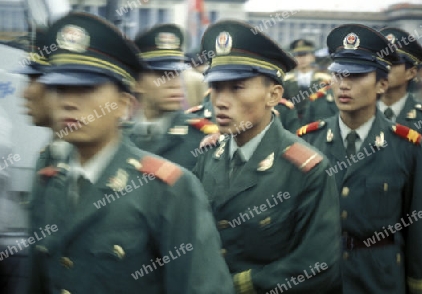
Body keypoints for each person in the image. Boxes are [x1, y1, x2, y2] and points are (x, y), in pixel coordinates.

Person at [28, 12, 234, 294]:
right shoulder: (48, 181)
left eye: (86, 88)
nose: (68, 103)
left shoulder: (168, 188)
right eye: (59, 89)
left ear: (125, 104)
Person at [193, 19, 342, 293]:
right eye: (216, 87)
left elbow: (318, 264)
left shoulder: (306, 170)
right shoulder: (209, 156)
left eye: (237, 88)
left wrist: (240, 283)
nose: (221, 101)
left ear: (273, 95)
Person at [298, 24, 422, 293]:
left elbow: (418, 226)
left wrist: (420, 283)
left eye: (357, 76)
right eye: (338, 75)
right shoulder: (308, 141)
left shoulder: (408, 146)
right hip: (319, 275)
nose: (344, 85)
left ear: (381, 84)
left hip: (379, 276)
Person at [379, 27, 422, 260]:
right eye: (379, 61)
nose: (384, 69)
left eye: (392, 63)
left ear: (411, 72)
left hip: (413, 233)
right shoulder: (355, 114)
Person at [128, 24, 218, 171]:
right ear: (136, 83)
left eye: (176, 74)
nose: (175, 84)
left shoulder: (202, 138)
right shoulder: (117, 135)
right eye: (162, 75)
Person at [286, 39, 331, 121]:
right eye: (298, 56)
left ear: (312, 57)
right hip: (292, 123)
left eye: (305, 55)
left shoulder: (325, 80)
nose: (302, 59)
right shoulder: (286, 81)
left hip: (318, 121)